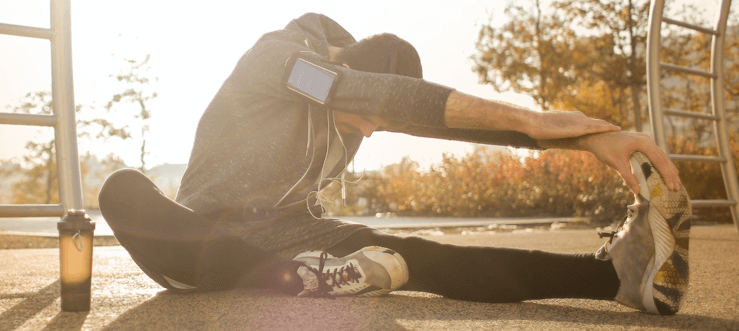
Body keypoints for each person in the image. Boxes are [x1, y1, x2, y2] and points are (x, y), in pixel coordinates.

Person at [98, 13, 692, 315]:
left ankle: (615, 279)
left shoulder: (353, 93)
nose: (374, 129)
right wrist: (536, 121)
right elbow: (364, 95)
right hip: (197, 241)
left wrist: (586, 140)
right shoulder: (285, 63)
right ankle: (302, 277)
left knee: (419, 254)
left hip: (295, 237)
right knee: (122, 188)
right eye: (370, 115)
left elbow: (430, 116)